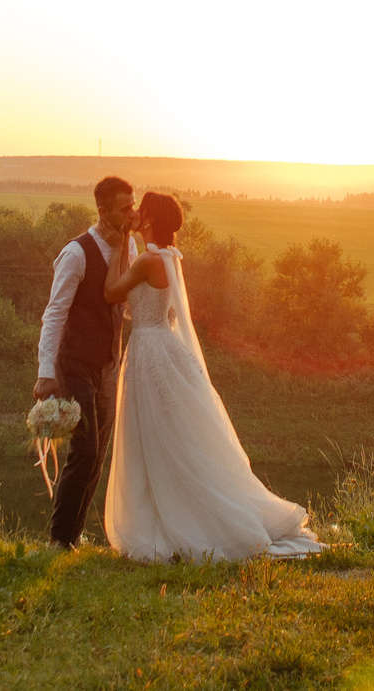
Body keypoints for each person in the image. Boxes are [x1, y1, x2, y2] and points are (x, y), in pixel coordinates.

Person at [101, 190, 324, 561]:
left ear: (151, 220)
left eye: (141, 209)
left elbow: (111, 293)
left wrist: (119, 241)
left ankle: (181, 524)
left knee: (159, 439)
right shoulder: (170, 257)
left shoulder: (147, 261)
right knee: (170, 437)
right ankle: (171, 515)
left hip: (150, 350)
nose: (135, 212)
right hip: (162, 347)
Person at [33, 175, 136, 549]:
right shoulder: (76, 253)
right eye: (126, 208)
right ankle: (58, 539)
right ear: (103, 211)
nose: (133, 214)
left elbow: (123, 303)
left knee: (99, 453)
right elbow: (55, 313)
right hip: (74, 363)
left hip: (109, 364)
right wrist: (46, 373)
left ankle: (71, 539)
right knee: (86, 449)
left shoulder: (129, 245)